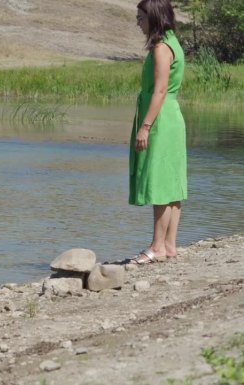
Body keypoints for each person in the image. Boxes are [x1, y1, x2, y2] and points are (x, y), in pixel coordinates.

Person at [128, 0, 187, 264]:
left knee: (160, 184)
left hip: (161, 120)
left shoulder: (162, 48)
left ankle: (157, 247)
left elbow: (160, 90)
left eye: (141, 17)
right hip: (171, 117)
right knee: (172, 184)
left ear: (153, 17)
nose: (138, 22)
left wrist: (145, 126)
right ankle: (170, 245)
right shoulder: (173, 42)